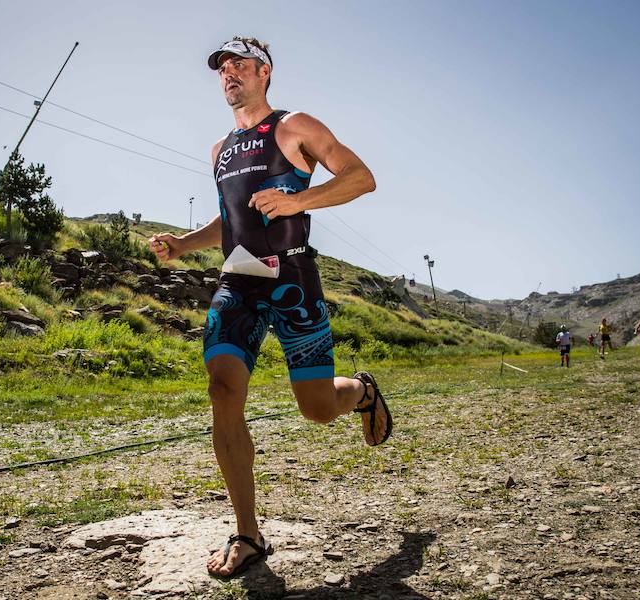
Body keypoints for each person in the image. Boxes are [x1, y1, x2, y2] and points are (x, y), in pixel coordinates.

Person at [149, 36, 389, 579]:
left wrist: (298, 200)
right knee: (222, 388)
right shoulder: (220, 150)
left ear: (265, 72)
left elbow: (360, 177)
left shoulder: (295, 126)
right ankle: (248, 535)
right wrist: (183, 245)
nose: (228, 73)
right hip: (238, 282)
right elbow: (230, 220)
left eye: (239, 65)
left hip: (294, 281)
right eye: (222, 68)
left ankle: (361, 390)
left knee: (317, 408)